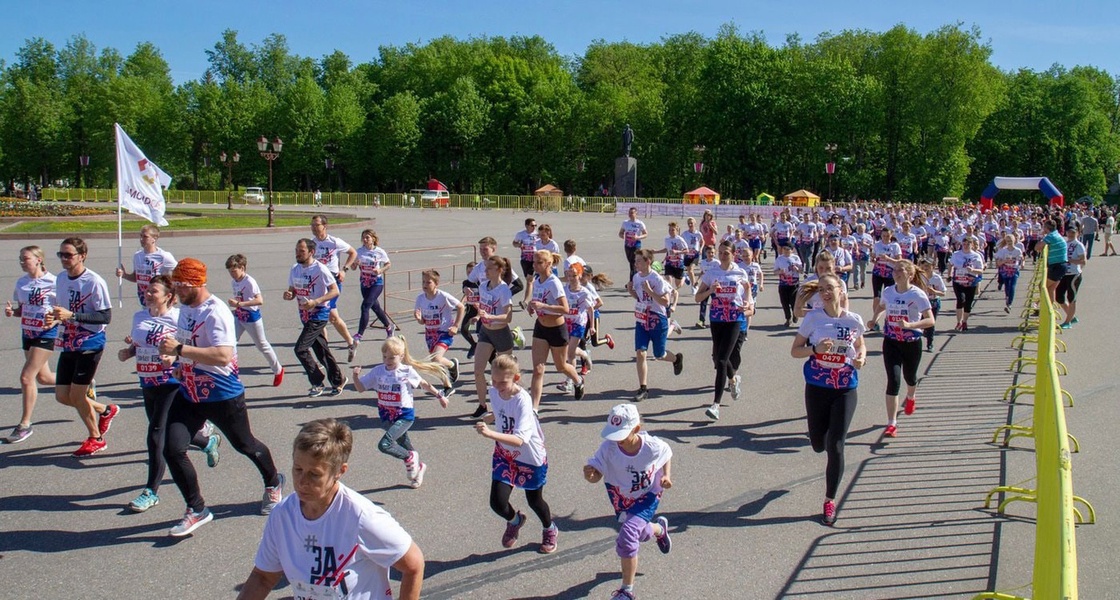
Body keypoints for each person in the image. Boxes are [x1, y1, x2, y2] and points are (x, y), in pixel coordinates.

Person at [158, 258, 283, 537]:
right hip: (190, 392)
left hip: (221, 393)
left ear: (194, 284)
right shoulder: (186, 310)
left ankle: (273, 482)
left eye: (179, 286)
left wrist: (179, 349)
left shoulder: (216, 312)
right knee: (171, 448)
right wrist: (176, 362)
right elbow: (189, 348)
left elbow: (223, 355)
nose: (176, 292)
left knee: (245, 445)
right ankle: (197, 508)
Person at [236, 418, 425, 600]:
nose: (302, 482)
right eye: (298, 469)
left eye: (314, 474)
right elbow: (263, 577)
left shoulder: (362, 517)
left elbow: (414, 565)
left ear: (340, 471)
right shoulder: (282, 515)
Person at [119, 275, 220, 513]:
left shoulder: (177, 318)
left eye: (154, 291)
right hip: (147, 381)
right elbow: (139, 343)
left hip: (171, 382)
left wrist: (173, 357)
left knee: (156, 435)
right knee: (161, 429)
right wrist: (129, 352)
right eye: (147, 290)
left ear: (169, 296)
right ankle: (206, 441)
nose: (148, 293)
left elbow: (186, 348)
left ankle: (151, 492)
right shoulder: (139, 316)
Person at [789, 273, 867, 525]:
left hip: (845, 387)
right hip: (817, 385)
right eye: (821, 289)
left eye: (829, 288)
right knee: (818, 444)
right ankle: (819, 440)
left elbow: (861, 346)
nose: (824, 293)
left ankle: (830, 500)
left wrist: (861, 358)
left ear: (841, 291)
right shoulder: (813, 318)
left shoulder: (854, 320)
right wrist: (815, 350)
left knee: (836, 445)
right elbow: (795, 350)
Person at [584, 403, 673, 600]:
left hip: (648, 494)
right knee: (639, 532)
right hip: (622, 497)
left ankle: (627, 591)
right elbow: (596, 473)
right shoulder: (608, 448)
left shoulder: (651, 446)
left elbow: (666, 453)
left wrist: (666, 475)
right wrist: (590, 474)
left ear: (636, 429)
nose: (617, 440)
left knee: (628, 536)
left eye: (622, 435)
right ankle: (659, 529)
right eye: (614, 434)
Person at [474, 355, 558, 553]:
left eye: (502, 382)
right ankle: (516, 520)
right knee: (497, 502)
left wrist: (490, 433)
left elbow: (521, 439)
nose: (496, 385)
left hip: (529, 457)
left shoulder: (523, 400)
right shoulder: (495, 392)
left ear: (516, 379)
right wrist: (493, 415)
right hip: (505, 454)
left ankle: (549, 528)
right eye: (493, 380)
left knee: (534, 501)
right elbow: (501, 407)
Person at [46, 237, 117, 457]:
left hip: (90, 342)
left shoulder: (94, 281)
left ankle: (96, 438)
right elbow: (63, 311)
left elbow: (105, 316)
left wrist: (73, 315)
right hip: (68, 340)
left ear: (82, 255)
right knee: (62, 395)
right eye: (61, 255)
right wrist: (55, 318)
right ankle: (105, 409)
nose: (64, 259)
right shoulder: (61, 279)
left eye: (68, 255)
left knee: (77, 396)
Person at [352, 337, 449, 489]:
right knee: (405, 445)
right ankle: (419, 468)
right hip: (386, 416)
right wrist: (355, 377)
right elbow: (360, 388)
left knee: (385, 444)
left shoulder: (406, 371)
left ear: (401, 357)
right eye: (385, 357)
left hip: (404, 415)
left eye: (392, 357)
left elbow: (423, 383)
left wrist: (439, 395)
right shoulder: (378, 371)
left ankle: (410, 458)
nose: (388, 360)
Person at [5, 246, 58, 443]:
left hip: (46, 334)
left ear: (39, 259)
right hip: (28, 333)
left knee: (27, 377)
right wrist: (13, 312)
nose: (22, 262)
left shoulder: (54, 282)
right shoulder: (22, 283)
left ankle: (25, 425)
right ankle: (83, 382)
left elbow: (64, 311)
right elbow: (23, 309)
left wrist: (55, 320)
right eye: (20, 259)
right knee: (43, 378)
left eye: (25, 258)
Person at [694, 241, 753, 420]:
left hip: (734, 319)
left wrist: (747, 305)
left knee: (721, 360)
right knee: (717, 357)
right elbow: (698, 298)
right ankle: (734, 379)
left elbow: (748, 298)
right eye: (720, 252)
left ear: (733, 254)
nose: (722, 255)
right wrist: (710, 290)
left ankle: (716, 405)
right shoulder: (712, 273)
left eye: (726, 253)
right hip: (717, 319)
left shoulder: (740, 272)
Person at [877, 260, 935, 437]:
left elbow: (930, 320)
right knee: (893, 380)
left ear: (910, 274)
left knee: (910, 377)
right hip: (891, 341)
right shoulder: (888, 291)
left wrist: (910, 325)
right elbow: (881, 307)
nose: (896, 273)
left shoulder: (917, 294)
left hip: (911, 342)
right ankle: (892, 423)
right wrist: (874, 319)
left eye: (901, 270)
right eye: (895, 270)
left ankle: (911, 397)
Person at [285, 239, 346, 397]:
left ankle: (317, 381)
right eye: (297, 250)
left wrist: (316, 301)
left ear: (311, 252)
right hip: (304, 314)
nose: (298, 254)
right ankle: (339, 380)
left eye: (302, 251)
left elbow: (334, 291)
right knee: (321, 350)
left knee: (300, 349)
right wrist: (289, 294)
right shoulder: (295, 269)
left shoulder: (320, 269)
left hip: (319, 313)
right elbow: (293, 290)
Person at [527, 250, 585, 409]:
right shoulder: (538, 280)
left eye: (539, 262)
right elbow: (538, 299)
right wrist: (532, 306)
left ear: (548, 264)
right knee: (538, 370)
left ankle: (578, 381)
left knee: (561, 366)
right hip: (541, 328)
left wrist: (544, 306)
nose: (535, 265)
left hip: (557, 329)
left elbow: (565, 309)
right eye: (534, 262)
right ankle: (534, 409)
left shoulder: (554, 282)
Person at [628, 249, 685, 402]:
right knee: (641, 353)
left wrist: (650, 291)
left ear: (648, 262)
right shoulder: (636, 277)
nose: (636, 264)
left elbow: (665, 302)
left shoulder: (657, 279)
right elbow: (640, 298)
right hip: (642, 319)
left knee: (659, 354)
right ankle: (643, 388)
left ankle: (676, 359)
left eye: (639, 261)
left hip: (657, 319)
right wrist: (631, 292)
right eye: (635, 261)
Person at [225, 254, 284, 387]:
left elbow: (259, 300)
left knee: (262, 345)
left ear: (242, 268)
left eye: (234, 271)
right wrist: (236, 308)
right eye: (230, 271)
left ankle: (278, 370)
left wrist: (240, 304)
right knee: (230, 342)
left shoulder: (249, 282)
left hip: (251, 317)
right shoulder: (234, 282)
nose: (232, 274)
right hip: (239, 316)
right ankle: (230, 372)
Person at [471, 255, 517, 417]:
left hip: (501, 333)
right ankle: (483, 405)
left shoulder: (504, 290)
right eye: (486, 268)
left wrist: (490, 317)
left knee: (505, 374)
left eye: (489, 268)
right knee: (478, 370)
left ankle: (510, 403)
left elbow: (507, 317)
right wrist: (479, 316)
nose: (485, 271)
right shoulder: (483, 286)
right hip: (486, 331)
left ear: (499, 270)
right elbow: (484, 307)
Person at [309, 215, 358, 361]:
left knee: (323, 315)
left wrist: (344, 269)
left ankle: (324, 354)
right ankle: (350, 343)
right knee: (333, 317)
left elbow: (353, 252)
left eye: (316, 225)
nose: (313, 227)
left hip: (332, 283)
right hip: (317, 283)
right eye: (312, 225)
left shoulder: (334, 242)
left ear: (325, 226)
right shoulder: (311, 244)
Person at [413, 269, 464, 395]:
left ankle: (448, 385)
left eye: (428, 282)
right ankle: (451, 367)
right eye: (423, 282)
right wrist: (419, 319)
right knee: (435, 361)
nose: (425, 285)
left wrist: (456, 326)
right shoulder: (420, 299)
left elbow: (461, 307)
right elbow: (422, 321)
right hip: (430, 334)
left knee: (436, 359)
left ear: (436, 283)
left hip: (444, 332)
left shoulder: (443, 296)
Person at [116, 224, 177, 304]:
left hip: (159, 301)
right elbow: (136, 277)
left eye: (145, 237)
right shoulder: (137, 256)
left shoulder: (163, 256)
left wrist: (173, 293)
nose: (141, 239)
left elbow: (179, 273)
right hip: (144, 299)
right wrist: (124, 275)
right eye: (140, 236)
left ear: (154, 238)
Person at [354, 229, 394, 346]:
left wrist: (380, 270)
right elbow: (352, 267)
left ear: (373, 239)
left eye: (367, 237)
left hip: (376, 283)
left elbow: (388, 264)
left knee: (365, 306)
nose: (365, 240)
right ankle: (389, 326)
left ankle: (359, 335)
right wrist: (354, 264)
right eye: (364, 237)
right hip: (364, 283)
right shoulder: (359, 252)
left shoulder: (379, 251)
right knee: (375, 308)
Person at [559, 264, 595, 393]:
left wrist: (592, 326)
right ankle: (585, 354)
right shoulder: (564, 290)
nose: (571, 278)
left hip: (579, 323)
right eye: (569, 276)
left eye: (574, 275)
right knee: (569, 349)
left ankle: (569, 381)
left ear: (580, 275)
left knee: (570, 353)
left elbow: (590, 309)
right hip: (565, 322)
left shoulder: (584, 292)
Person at [867, 226, 903, 332]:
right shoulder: (877, 245)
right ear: (881, 236)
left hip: (890, 275)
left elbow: (899, 261)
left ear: (891, 235)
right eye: (883, 236)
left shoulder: (895, 246)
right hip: (878, 273)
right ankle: (875, 322)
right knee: (877, 298)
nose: (885, 238)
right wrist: (874, 259)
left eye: (887, 236)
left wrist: (888, 259)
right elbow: (872, 257)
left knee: (889, 299)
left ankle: (889, 321)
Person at [948, 236, 985, 331]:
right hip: (958, 281)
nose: (965, 246)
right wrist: (949, 274)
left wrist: (973, 270)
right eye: (964, 244)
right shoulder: (956, 254)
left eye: (968, 244)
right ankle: (958, 322)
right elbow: (951, 264)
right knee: (960, 299)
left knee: (968, 303)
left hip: (971, 282)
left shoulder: (976, 256)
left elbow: (981, 271)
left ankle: (964, 321)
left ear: (972, 245)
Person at [1057, 224, 1086, 329]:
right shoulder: (1064, 243)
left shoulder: (1079, 245)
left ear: (1077, 233)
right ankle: (1072, 316)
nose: (1071, 234)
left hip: (1074, 274)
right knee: (1059, 296)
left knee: (1071, 297)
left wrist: (1071, 261)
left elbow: (1083, 261)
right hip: (1064, 273)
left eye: (1073, 232)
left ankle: (1068, 322)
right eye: (1069, 232)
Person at [1035, 218, 1069, 306]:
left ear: (1046, 228)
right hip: (1062, 265)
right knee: (1051, 289)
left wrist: (1041, 237)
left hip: (1057, 266)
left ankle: (1044, 306)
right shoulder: (1057, 234)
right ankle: (1050, 308)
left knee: (1042, 286)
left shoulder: (1050, 236)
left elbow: (1037, 247)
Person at [917, 257, 946, 352]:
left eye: (928, 266)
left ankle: (930, 343)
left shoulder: (936, 278)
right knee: (918, 322)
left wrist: (934, 291)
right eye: (923, 266)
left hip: (933, 303)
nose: (925, 268)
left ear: (933, 267)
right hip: (920, 303)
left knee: (930, 324)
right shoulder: (918, 276)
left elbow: (943, 293)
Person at [993, 234, 1024, 314]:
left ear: (1014, 241)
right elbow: (998, 262)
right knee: (1007, 286)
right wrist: (1004, 261)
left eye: (1011, 241)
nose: (1009, 242)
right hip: (1005, 270)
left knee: (1012, 285)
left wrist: (1021, 263)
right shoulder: (1003, 250)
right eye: (1007, 241)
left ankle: (1009, 304)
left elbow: (1021, 259)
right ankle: (1007, 297)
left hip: (1014, 270)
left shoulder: (1017, 250)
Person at [774, 243, 803, 327]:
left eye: (788, 249)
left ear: (792, 250)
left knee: (793, 302)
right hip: (783, 284)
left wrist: (797, 269)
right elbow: (775, 271)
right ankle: (788, 318)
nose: (786, 251)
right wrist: (780, 271)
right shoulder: (779, 259)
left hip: (794, 284)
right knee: (785, 302)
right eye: (784, 249)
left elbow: (801, 270)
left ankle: (795, 314)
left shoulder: (796, 258)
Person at [619, 207, 648, 281]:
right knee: (631, 262)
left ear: (636, 214)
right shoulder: (625, 223)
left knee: (634, 262)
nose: (630, 214)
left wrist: (637, 237)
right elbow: (620, 233)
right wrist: (624, 236)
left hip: (636, 245)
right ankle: (637, 279)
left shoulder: (639, 223)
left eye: (632, 213)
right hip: (627, 245)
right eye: (629, 213)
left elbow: (645, 234)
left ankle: (632, 281)